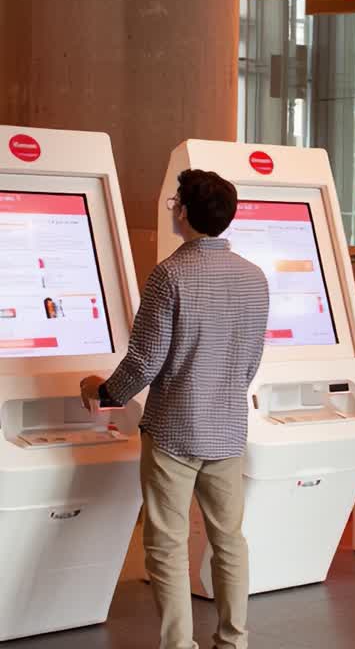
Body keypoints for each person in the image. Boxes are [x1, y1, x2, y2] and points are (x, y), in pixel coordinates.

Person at [79, 169, 269, 649]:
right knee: (230, 540)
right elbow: (249, 357)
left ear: (183, 212)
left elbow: (145, 360)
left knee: (166, 543)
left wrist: (104, 393)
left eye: (175, 202)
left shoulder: (169, 274)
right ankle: (233, 640)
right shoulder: (254, 276)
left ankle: (179, 645)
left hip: (174, 433)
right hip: (227, 431)